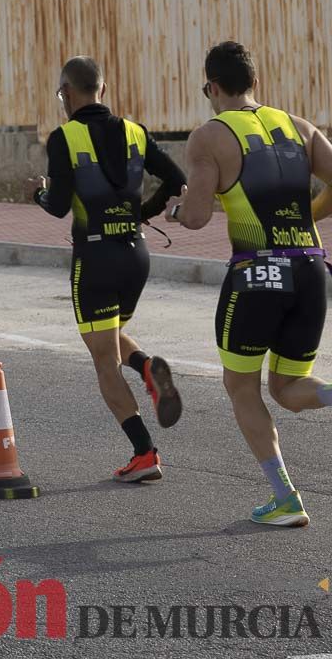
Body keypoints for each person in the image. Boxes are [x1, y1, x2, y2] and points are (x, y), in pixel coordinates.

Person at [166, 41, 332, 527]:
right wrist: (309, 218)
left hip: (258, 272)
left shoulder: (209, 137)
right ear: (255, 82)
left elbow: (196, 217)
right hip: (310, 268)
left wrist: (176, 208)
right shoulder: (298, 126)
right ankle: (284, 498)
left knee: (241, 383)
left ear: (212, 87)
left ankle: (285, 498)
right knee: (287, 386)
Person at [24, 56, 186, 483]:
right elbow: (176, 179)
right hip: (135, 255)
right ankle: (148, 368)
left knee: (104, 360)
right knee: (110, 333)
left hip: (95, 257)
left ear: (68, 93)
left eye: (62, 94)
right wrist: (143, 212)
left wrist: (37, 195)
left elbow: (59, 207)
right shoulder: (135, 131)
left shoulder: (64, 137)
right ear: (104, 89)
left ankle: (144, 453)